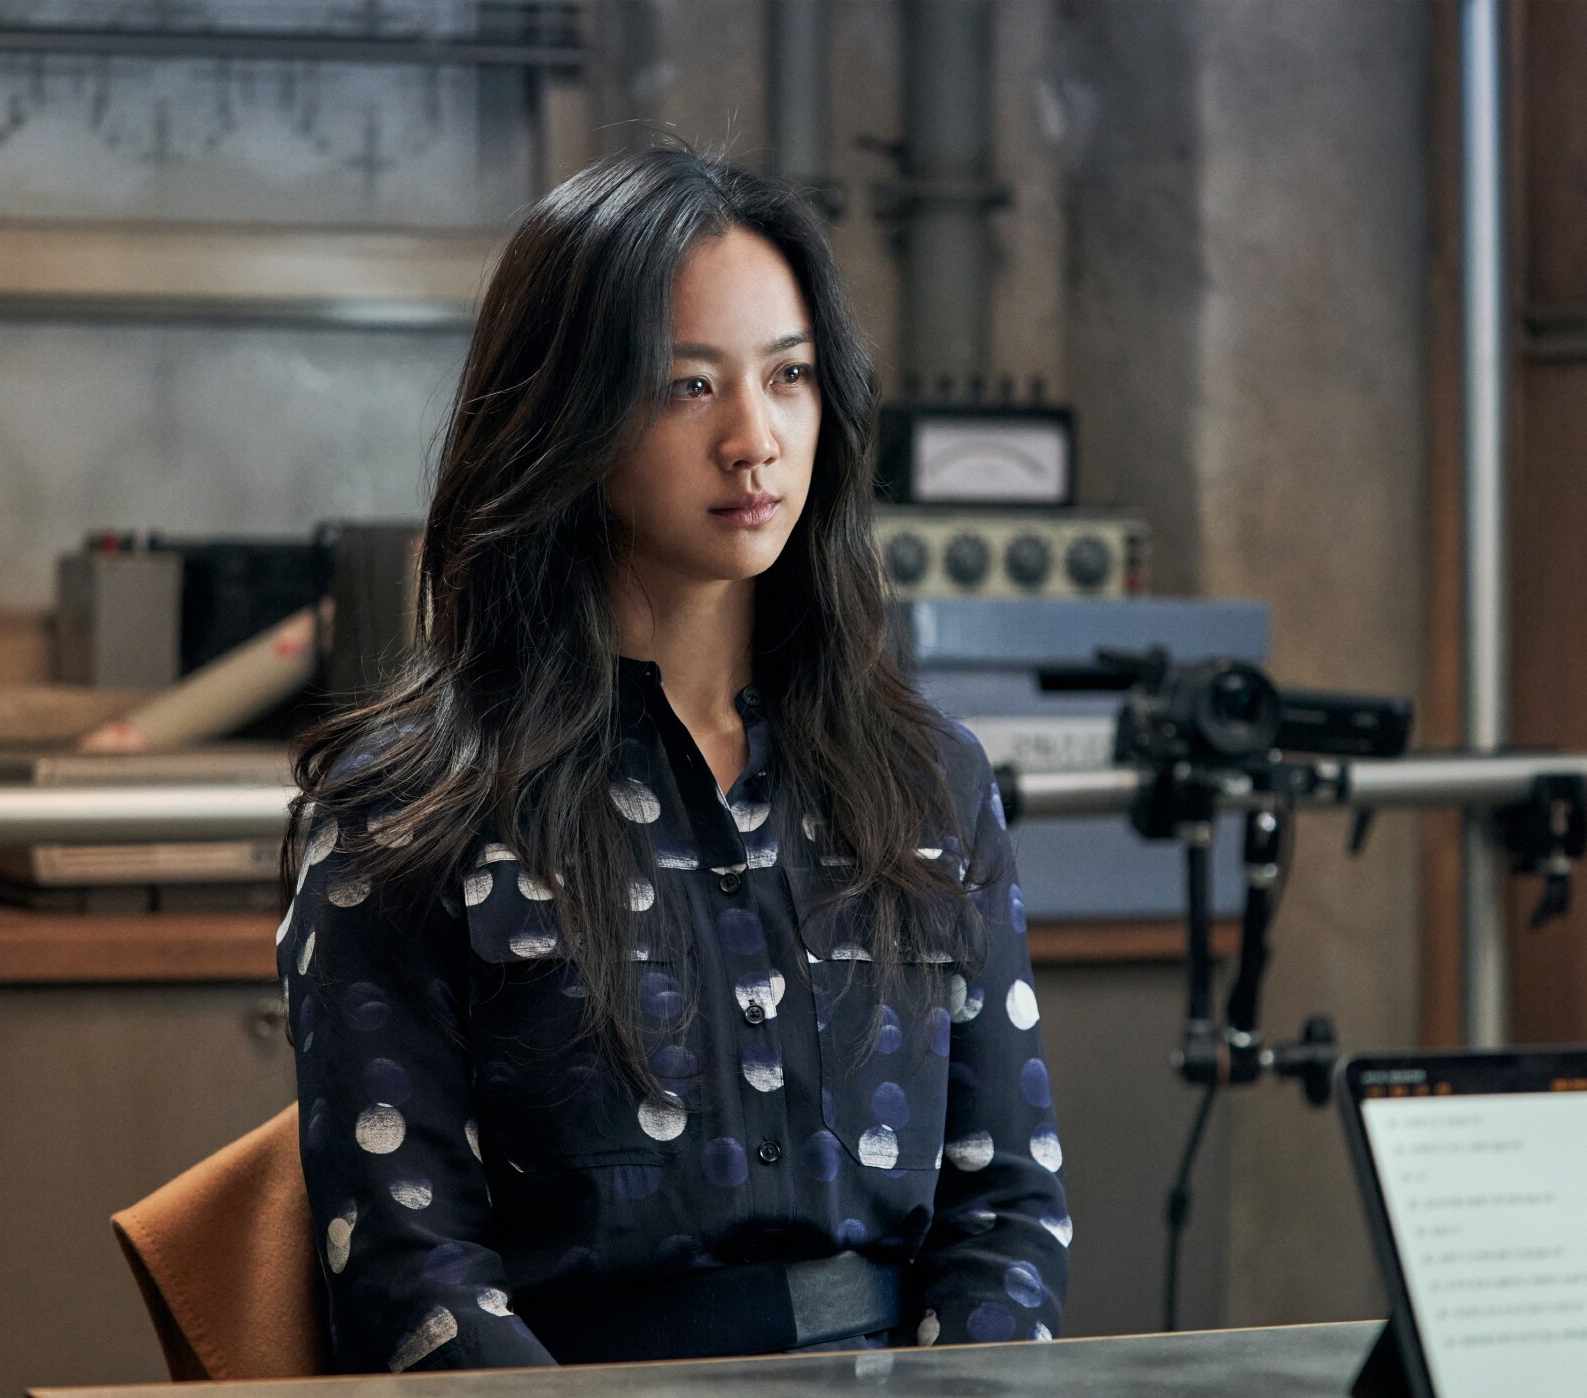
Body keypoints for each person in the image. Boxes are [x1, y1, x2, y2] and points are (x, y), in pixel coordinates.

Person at [276, 145, 1068, 1374]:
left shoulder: (931, 783)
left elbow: (1006, 1219)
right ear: (567, 415)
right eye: (688, 386)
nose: (754, 441)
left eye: (790, 376)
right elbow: (410, 1278)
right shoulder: (406, 814)